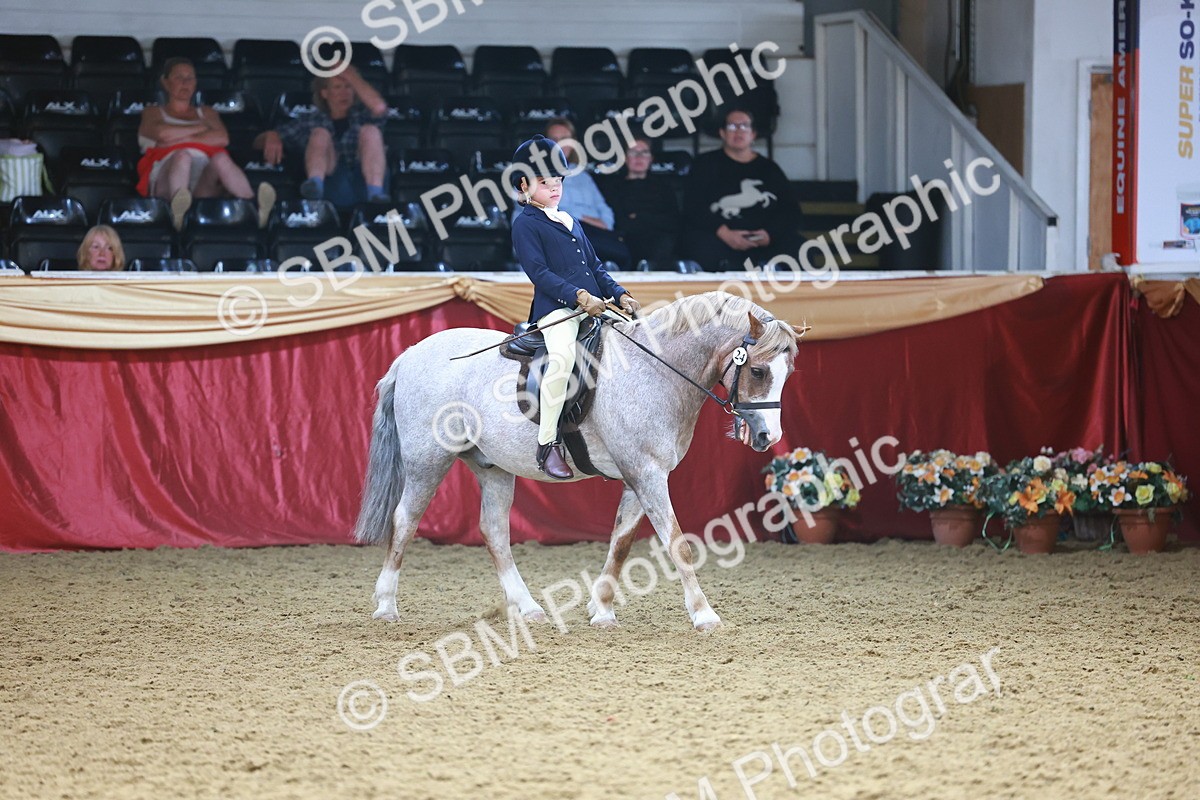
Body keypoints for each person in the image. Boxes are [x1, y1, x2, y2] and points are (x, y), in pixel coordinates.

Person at [509, 134, 640, 479]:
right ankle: (547, 444)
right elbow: (539, 273)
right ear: (524, 184)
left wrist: (619, 293)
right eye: (544, 182)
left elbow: (595, 267)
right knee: (563, 360)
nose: (554, 188)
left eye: (558, 181)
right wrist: (578, 297)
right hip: (556, 309)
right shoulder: (525, 224)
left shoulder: (570, 221)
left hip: (594, 304)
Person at [137, 57, 273, 231]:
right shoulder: (153, 112)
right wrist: (201, 129)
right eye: (179, 77)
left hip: (203, 180)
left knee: (221, 158)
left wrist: (176, 139)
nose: (185, 82)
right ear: (165, 82)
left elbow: (222, 138)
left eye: (190, 78)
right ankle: (177, 215)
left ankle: (255, 210)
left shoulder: (207, 112)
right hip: (167, 175)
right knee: (182, 156)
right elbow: (162, 133)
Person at [681, 108, 799, 271]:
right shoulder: (705, 164)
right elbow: (693, 206)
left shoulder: (769, 169)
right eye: (732, 127)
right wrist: (724, 233)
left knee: (799, 248)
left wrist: (769, 234)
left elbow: (790, 210)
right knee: (697, 245)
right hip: (720, 237)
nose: (738, 131)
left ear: (753, 134)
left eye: (744, 126)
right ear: (722, 133)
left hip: (761, 240)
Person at [255, 66, 389, 208]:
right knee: (320, 133)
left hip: (363, 183)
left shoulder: (364, 116)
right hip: (331, 186)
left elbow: (379, 107)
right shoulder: (310, 120)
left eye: (348, 87)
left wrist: (351, 75)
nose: (344, 93)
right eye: (338, 87)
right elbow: (257, 143)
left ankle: (376, 194)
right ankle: (314, 186)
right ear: (324, 93)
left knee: (371, 131)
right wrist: (271, 135)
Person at [523, 118, 631, 269]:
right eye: (554, 139)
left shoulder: (583, 176)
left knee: (622, 251)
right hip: (560, 234)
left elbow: (606, 216)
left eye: (565, 139)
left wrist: (587, 219)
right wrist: (582, 217)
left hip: (594, 235)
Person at [603, 136, 680, 265]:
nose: (639, 157)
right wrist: (649, 218)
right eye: (633, 152)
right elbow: (617, 222)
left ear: (651, 158)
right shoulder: (612, 187)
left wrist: (637, 216)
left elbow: (672, 221)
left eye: (644, 152)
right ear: (625, 158)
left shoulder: (663, 187)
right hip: (627, 240)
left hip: (660, 241)